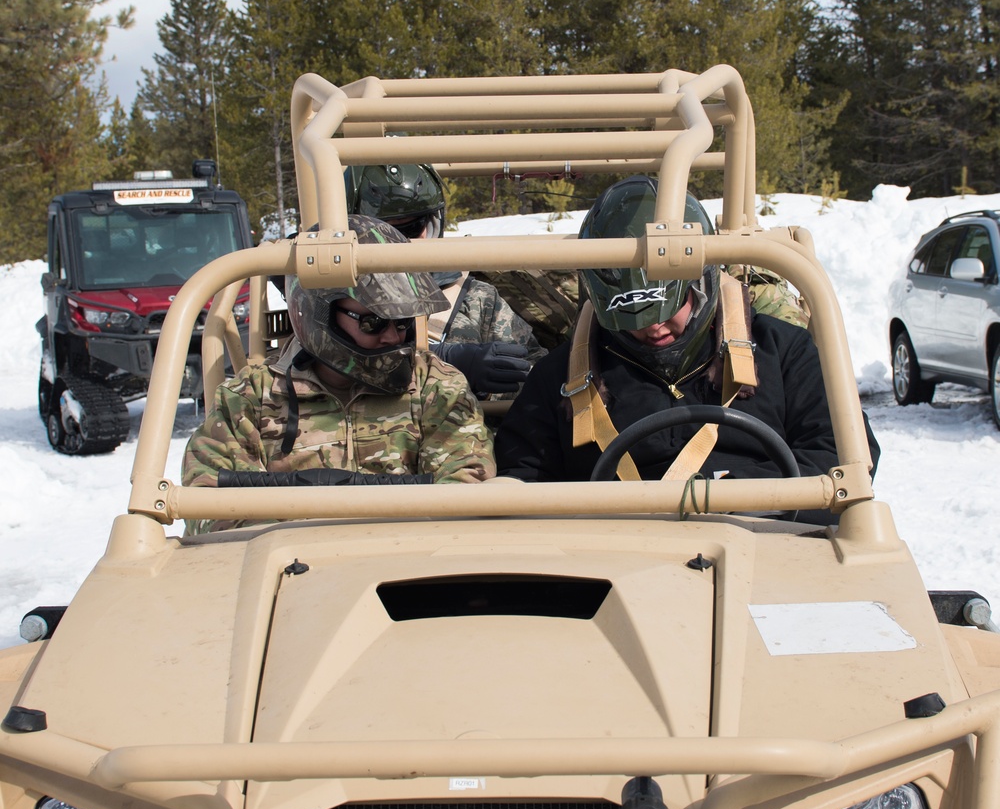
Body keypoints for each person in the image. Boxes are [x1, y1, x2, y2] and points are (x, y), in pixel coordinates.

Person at [494, 175, 878, 523]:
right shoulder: (559, 378)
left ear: (704, 283)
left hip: (767, 539)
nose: (653, 327)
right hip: (612, 556)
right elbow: (524, 478)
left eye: (668, 310)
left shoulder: (783, 351)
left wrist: (744, 496)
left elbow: (842, 454)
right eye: (631, 316)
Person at [182, 215, 496, 533]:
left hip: (409, 564)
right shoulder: (249, 399)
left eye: (403, 322)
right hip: (288, 569)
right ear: (318, 312)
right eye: (373, 322)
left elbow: (466, 486)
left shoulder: (435, 385)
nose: (393, 338)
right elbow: (210, 505)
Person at [345, 163, 545, 397]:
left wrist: (489, 388)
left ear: (433, 224)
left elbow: (535, 372)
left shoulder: (478, 300)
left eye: (412, 228)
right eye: (381, 231)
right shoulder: (333, 297)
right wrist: (445, 362)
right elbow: (315, 364)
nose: (397, 242)